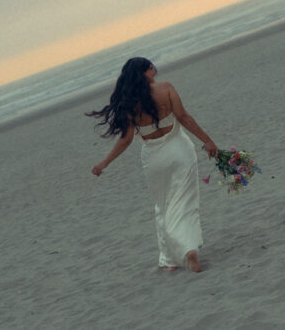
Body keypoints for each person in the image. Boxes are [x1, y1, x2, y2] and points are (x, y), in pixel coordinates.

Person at [89, 57, 219, 272]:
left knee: (163, 206)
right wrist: (207, 140)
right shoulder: (166, 88)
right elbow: (184, 117)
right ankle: (188, 250)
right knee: (184, 201)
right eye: (151, 67)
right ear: (148, 71)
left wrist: (104, 162)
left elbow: (126, 139)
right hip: (180, 150)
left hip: (154, 158)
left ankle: (170, 260)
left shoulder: (129, 103)